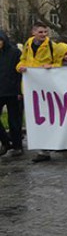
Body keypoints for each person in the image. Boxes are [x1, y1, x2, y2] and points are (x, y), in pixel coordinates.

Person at [0, 30, 23, 158]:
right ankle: (5, 141)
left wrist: (20, 91)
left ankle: (17, 145)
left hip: (13, 91)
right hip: (1, 90)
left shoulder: (14, 53)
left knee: (14, 120)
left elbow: (20, 72)